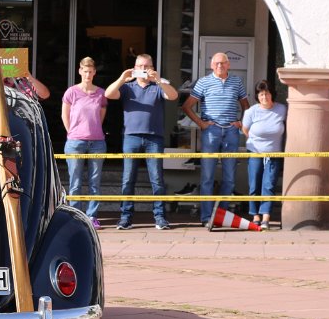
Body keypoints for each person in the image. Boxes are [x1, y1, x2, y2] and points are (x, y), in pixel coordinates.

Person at [104, 53, 177, 230]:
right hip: (131, 137)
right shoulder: (127, 87)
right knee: (128, 178)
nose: (143, 69)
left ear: (152, 68)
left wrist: (158, 80)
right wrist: (122, 78)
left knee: (157, 179)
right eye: (140, 66)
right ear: (134, 68)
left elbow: (173, 96)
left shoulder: (158, 86)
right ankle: (125, 217)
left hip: (154, 137)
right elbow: (108, 94)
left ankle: (160, 217)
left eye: (146, 66)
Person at [182, 52, 250, 226]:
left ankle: (221, 217)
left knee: (230, 178)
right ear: (211, 65)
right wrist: (201, 124)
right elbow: (187, 106)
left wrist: (241, 123)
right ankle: (206, 217)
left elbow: (246, 105)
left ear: (228, 65)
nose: (220, 66)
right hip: (211, 132)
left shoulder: (236, 81)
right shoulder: (203, 82)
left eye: (223, 63)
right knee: (207, 177)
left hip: (231, 132)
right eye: (217, 63)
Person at [62, 56, 107, 228]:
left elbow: (100, 116)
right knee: (75, 181)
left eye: (91, 71)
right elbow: (64, 115)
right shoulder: (71, 92)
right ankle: (76, 216)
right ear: (80, 71)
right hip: (75, 141)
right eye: (85, 71)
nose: (88, 74)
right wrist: (72, 132)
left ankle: (92, 216)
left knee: (95, 181)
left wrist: (92, 129)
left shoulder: (101, 93)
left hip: (97, 141)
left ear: (94, 72)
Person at [241, 80, 286, 231]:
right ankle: (255, 216)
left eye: (266, 93)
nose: (264, 97)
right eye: (261, 94)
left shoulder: (282, 109)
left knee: (269, 184)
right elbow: (245, 130)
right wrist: (257, 142)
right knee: (254, 184)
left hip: (274, 153)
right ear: (257, 96)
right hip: (255, 152)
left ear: (272, 94)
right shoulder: (251, 111)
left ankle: (266, 217)